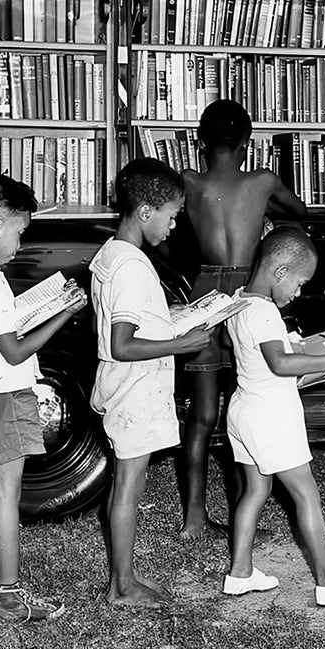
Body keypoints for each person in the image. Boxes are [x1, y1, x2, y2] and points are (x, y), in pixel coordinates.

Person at [0, 174, 85, 622]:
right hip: (4, 397)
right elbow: (15, 349)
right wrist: (63, 312)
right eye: (21, 231)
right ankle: (9, 596)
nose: (21, 243)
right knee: (7, 494)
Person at [222, 226, 325, 607]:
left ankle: (240, 573)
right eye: (299, 282)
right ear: (280, 271)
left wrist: (320, 362)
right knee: (306, 494)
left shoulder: (240, 301)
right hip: (272, 416)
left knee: (255, 491)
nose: (298, 292)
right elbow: (280, 362)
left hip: (245, 409)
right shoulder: (265, 312)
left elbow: (266, 362)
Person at [177, 99, 307, 540]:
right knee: (248, 399)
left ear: (199, 142)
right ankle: (241, 511)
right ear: (248, 144)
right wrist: (264, 211)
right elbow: (301, 213)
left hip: (206, 294)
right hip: (247, 292)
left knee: (203, 414)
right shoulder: (263, 180)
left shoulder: (189, 181)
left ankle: (194, 519)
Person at [89, 158, 212, 607]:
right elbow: (122, 343)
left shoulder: (112, 254)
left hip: (126, 386)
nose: (175, 225)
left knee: (127, 484)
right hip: (133, 390)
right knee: (129, 487)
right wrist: (182, 344)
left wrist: (175, 323)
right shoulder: (131, 266)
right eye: (172, 215)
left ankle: (125, 576)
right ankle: (122, 586)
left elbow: (133, 325)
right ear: (145, 212)